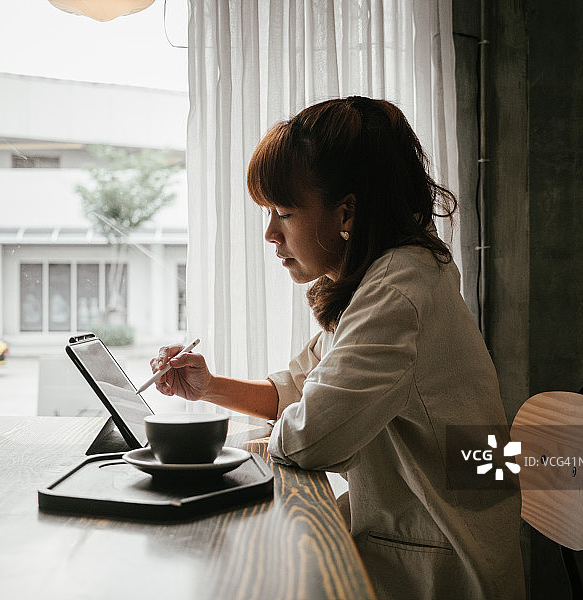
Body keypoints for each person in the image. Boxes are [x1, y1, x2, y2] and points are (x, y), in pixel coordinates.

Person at [150, 96, 525, 600]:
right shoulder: (388, 276)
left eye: (283, 212)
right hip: (416, 540)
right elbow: (300, 392)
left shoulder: (398, 291)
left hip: (447, 564)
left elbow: (311, 438)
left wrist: (267, 436)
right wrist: (210, 387)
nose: (270, 233)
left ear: (346, 212)